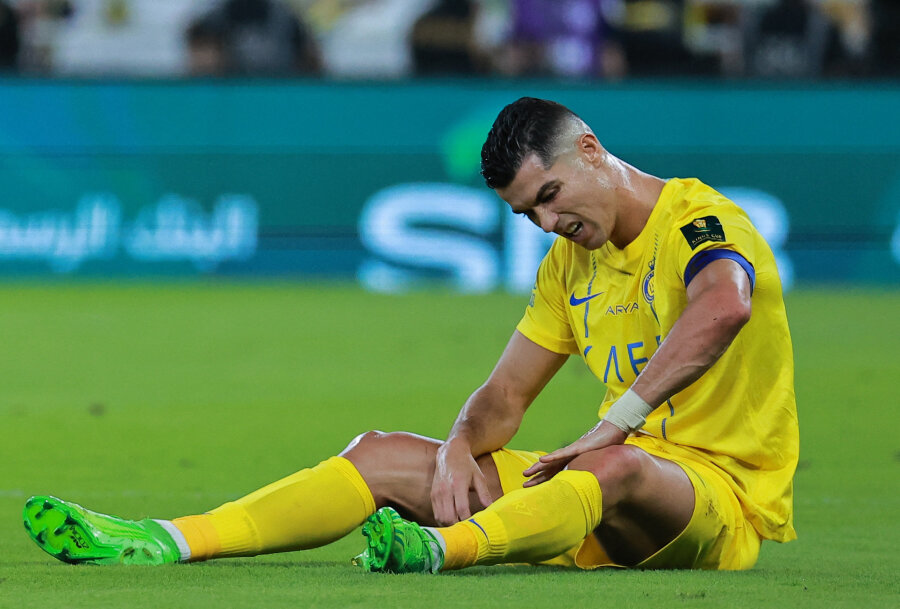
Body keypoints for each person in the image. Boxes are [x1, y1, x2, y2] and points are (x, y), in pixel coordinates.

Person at [23, 97, 798, 573]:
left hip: (714, 501)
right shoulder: (570, 265)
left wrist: (613, 421)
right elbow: (506, 395)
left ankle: (439, 550)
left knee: (615, 465)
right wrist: (461, 443)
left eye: (551, 196)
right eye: (528, 212)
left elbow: (723, 309)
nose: (548, 222)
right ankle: (167, 538)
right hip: (590, 489)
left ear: (590, 149)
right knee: (383, 453)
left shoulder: (701, 221)